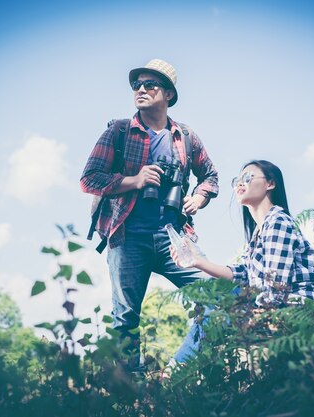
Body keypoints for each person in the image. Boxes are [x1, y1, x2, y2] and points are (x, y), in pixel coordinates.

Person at [80, 59, 219, 371]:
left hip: (174, 237)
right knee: (125, 320)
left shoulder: (185, 136)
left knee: (215, 297)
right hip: (127, 236)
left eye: (149, 85)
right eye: (136, 86)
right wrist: (135, 181)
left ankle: (178, 373)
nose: (140, 90)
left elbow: (210, 176)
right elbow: (88, 179)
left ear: (168, 94)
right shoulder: (119, 131)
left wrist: (198, 197)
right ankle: (130, 396)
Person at [170, 160, 314, 362]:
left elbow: (277, 285)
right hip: (273, 304)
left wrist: (257, 319)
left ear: (270, 183)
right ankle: (177, 368)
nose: (239, 184)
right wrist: (197, 261)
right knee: (214, 294)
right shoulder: (259, 232)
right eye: (237, 180)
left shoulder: (277, 221)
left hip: (295, 307)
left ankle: (175, 369)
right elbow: (241, 274)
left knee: (216, 302)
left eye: (248, 177)